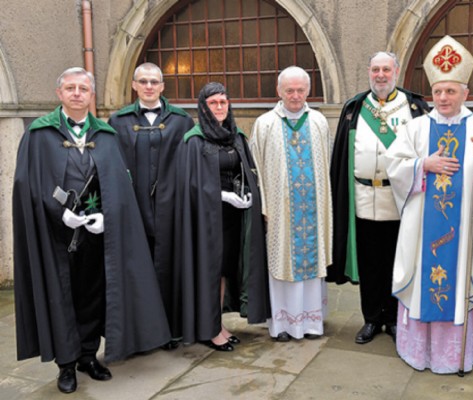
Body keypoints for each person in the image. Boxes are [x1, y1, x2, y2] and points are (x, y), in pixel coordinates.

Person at [12, 67, 170, 393]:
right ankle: (66, 365)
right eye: (70, 88)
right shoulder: (39, 134)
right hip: (56, 237)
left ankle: (87, 355)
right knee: (62, 296)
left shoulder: (106, 135)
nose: (76, 94)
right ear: (59, 94)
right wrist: (59, 214)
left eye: (83, 88)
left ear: (91, 94)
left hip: (96, 235)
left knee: (93, 296)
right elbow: (29, 185)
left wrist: (106, 217)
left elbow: (118, 185)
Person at [383, 35, 473, 374]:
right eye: (438, 91)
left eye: (451, 91)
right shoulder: (415, 128)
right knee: (425, 280)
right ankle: (419, 352)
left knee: (458, 281)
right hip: (423, 231)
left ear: (465, 94)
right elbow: (393, 166)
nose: (443, 98)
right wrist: (422, 166)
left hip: (465, 234)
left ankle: (457, 354)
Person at [328, 51, 429, 344]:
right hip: (362, 196)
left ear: (396, 71)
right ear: (369, 72)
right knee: (370, 263)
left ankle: (394, 319)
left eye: (386, 69)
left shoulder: (414, 107)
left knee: (397, 262)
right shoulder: (355, 107)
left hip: (399, 199)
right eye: (375, 70)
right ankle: (371, 319)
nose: (380, 75)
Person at [174, 82, 271, 351]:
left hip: (233, 217)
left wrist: (248, 194)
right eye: (213, 103)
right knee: (210, 271)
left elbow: (247, 170)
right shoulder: (194, 140)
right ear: (203, 107)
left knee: (227, 269)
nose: (219, 107)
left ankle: (217, 323)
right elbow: (190, 185)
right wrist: (220, 195)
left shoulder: (236, 135)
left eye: (223, 102)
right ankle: (209, 329)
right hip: (206, 220)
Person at [108, 62, 194, 349]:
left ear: (162, 86)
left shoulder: (182, 121)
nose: (148, 87)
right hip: (133, 208)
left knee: (168, 268)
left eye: (153, 82)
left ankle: (169, 331)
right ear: (134, 85)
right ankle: (140, 334)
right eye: (142, 81)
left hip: (171, 209)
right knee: (137, 269)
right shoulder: (118, 121)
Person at [250, 66, 333, 341]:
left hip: (312, 211)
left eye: (300, 90)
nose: (295, 96)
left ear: (308, 91)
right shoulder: (265, 123)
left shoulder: (319, 122)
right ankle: (284, 323)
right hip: (280, 212)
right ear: (279, 91)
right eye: (290, 90)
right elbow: (256, 167)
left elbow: (325, 166)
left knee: (311, 268)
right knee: (281, 265)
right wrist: (263, 207)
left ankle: (310, 323)